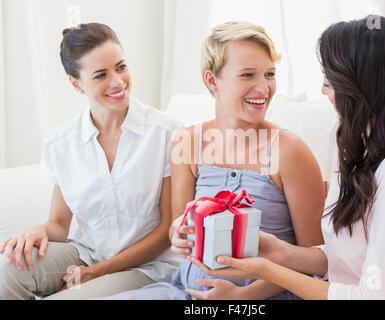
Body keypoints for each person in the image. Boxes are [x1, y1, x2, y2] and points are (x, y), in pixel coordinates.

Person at [189, 16, 385, 300]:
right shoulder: (359, 151)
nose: (325, 93)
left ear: (361, 87)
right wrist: (283, 252)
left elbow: (373, 296)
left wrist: (269, 270)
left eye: (330, 82)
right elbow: (346, 260)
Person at [100, 21, 325, 300]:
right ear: (211, 80)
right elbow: (179, 223)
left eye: (269, 74)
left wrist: (243, 296)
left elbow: (318, 263)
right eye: (247, 75)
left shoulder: (289, 151)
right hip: (184, 292)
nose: (263, 87)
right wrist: (179, 235)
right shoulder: (187, 142)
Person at [0, 23, 183, 299]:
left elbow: (168, 230)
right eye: (101, 75)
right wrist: (37, 230)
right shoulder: (62, 144)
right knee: (7, 270)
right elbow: (59, 225)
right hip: (86, 254)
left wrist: (99, 272)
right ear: (76, 84)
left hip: (147, 266)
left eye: (121, 67)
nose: (118, 82)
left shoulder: (168, 134)